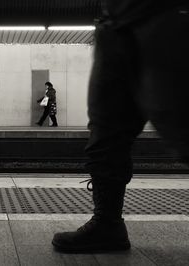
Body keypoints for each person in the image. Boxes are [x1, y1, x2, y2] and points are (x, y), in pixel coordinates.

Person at [52, 0, 189, 253]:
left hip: (164, 16)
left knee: (180, 123)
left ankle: (107, 224)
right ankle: (107, 223)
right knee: (105, 130)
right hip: (114, 26)